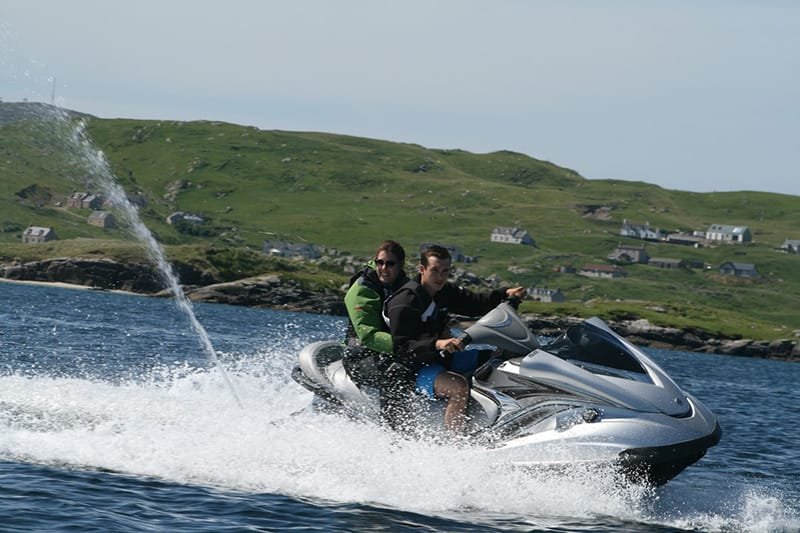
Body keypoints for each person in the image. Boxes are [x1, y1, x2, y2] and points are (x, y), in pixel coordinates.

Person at [383, 245, 525, 434]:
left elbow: (475, 304)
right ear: (422, 269)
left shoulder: (444, 292)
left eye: (445, 271)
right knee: (458, 386)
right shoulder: (405, 301)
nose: (440, 277)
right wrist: (437, 343)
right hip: (412, 369)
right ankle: (456, 443)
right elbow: (402, 347)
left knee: (497, 359)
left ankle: (508, 420)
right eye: (434, 271)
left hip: (440, 358)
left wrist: (505, 293)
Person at [342, 240, 409, 389]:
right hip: (359, 356)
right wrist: (407, 347)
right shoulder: (362, 290)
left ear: (400, 265)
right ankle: (391, 413)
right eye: (380, 262)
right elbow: (368, 335)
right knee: (397, 373)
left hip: (390, 353)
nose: (384, 268)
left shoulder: (407, 289)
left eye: (390, 264)